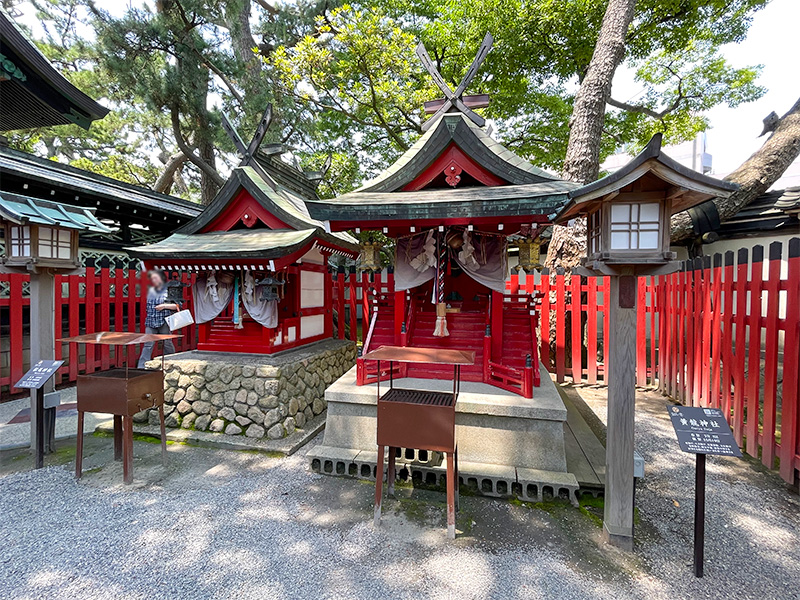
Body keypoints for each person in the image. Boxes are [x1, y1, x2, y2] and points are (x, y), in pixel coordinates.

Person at [138, 269, 180, 368]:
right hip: (150, 321)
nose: (154, 280)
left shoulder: (169, 290)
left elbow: (178, 306)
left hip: (164, 320)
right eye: (153, 279)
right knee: (148, 344)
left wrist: (164, 306)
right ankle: (142, 366)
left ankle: (171, 362)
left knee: (167, 343)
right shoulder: (151, 291)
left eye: (156, 278)